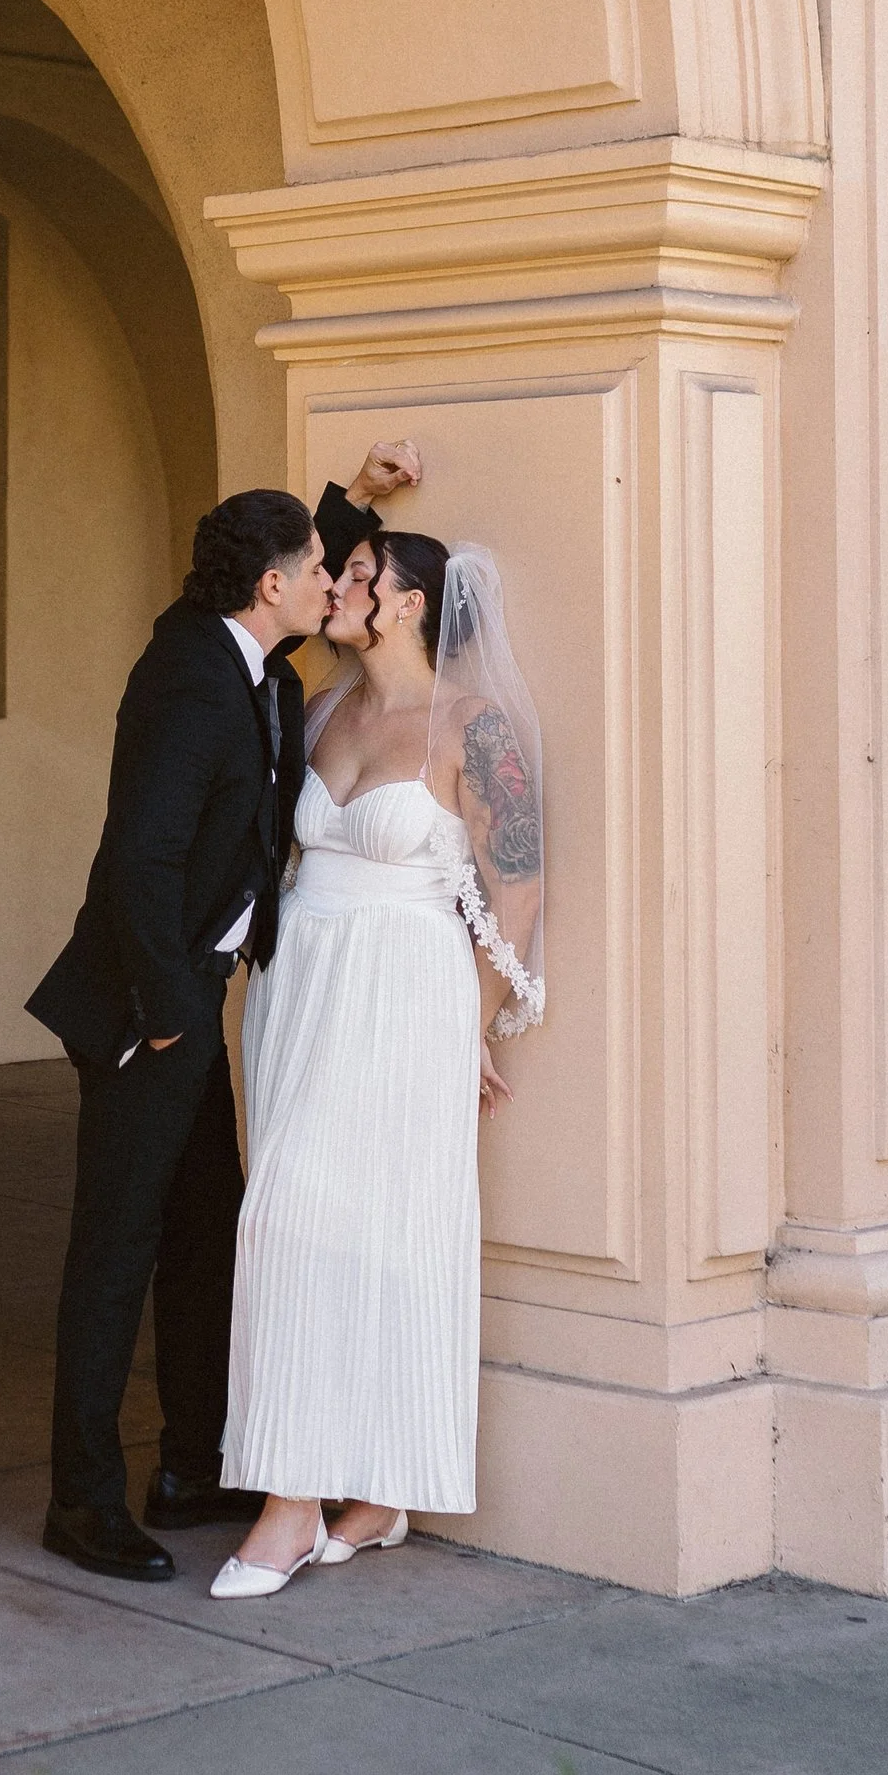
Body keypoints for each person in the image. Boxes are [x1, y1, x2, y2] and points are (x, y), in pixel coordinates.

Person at [27, 455, 421, 1582]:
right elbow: (139, 861)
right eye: (316, 570)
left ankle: (194, 1463)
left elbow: (277, 573)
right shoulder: (190, 681)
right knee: (114, 1253)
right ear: (266, 589)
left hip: (192, 1002)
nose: (328, 589)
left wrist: (345, 501)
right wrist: (163, 1019)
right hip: (143, 1008)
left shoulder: (234, 646)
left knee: (204, 1237)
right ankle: (80, 1500)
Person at [211, 486, 545, 1601]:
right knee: (293, 1215)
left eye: (355, 578)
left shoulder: (471, 730)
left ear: (405, 605)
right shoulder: (316, 711)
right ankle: (366, 1491)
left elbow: (520, 881)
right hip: (301, 990)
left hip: (403, 998)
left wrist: (486, 1019)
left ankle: (299, 1502)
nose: (335, 588)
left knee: (380, 1231)